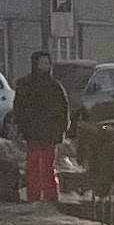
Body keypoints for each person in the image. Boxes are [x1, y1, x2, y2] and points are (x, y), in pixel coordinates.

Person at [12, 52, 72, 207]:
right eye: (42, 63)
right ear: (35, 64)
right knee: (32, 166)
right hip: (32, 132)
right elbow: (19, 108)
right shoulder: (25, 85)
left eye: (47, 63)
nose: (45, 66)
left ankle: (51, 197)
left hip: (50, 133)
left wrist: (62, 129)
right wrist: (19, 126)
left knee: (48, 166)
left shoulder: (55, 87)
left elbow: (63, 109)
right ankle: (34, 197)